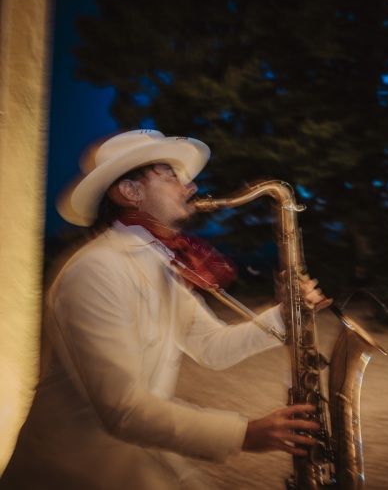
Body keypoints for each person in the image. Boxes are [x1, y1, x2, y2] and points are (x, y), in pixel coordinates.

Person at [0, 129, 333, 489]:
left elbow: (212, 348)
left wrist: (286, 316)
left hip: (137, 462)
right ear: (130, 192)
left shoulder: (161, 263)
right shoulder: (95, 270)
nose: (189, 187)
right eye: (171, 175)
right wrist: (245, 433)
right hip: (72, 473)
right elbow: (124, 409)